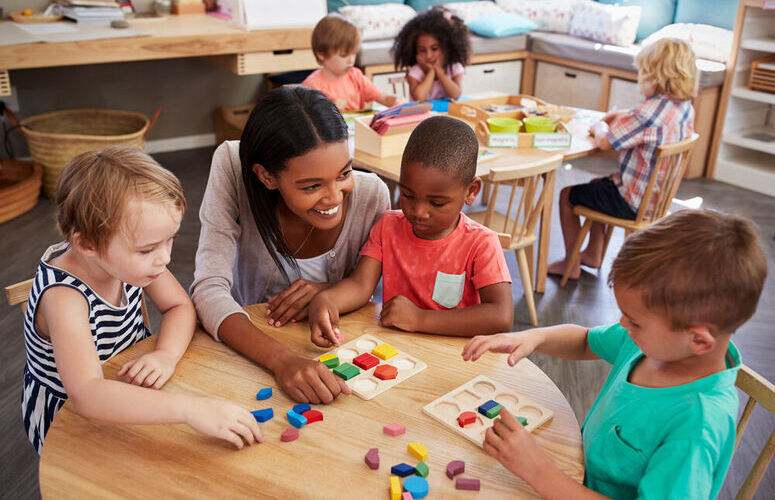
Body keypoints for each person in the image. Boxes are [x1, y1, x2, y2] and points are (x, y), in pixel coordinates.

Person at [463, 209, 767, 499]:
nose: (623, 325)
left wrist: (539, 471)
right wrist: (533, 337)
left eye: (634, 320)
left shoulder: (697, 426)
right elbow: (584, 341)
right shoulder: (654, 343)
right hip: (573, 475)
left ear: (699, 341)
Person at [22, 146, 263, 454]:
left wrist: (166, 355)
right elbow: (87, 394)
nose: (164, 258)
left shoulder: (124, 259)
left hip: (128, 382)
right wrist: (190, 409)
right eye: (148, 249)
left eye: (170, 239)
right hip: (68, 419)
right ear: (87, 245)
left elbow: (179, 306)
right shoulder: (64, 298)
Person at [190, 86, 391, 403]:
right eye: (311, 186)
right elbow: (208, 288)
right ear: (266, 177)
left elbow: (373, 295)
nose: (334, 197)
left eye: (344, 173)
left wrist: (329, 289)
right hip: (250, 347)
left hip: (337, 357)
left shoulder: (372, 195)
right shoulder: (233, 164)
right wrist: (282, 360)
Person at [308, 116, 513, 346]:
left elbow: (501, 316)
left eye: (436, 203)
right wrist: (327, 299)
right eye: (408, 195)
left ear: (471, 191)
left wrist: (421, 319)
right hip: (397, 350)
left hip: (454, 356)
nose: (418, 212)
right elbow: (361, 285)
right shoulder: (388, 226)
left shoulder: (481, 243)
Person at [548, 38, 697, 280]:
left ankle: (571, 263)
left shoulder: (646, 113)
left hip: (632, 203)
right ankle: (593, 254)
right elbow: (648, 124)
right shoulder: (684, 108)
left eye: (642, 74)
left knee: (568, 196)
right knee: (598, 185)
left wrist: (598, 126)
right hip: (656, 199)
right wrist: (625, 115)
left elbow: (606, 142)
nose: (639, 80)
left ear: (655, 77)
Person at [301, 13, 401, 111]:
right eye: (344, 55)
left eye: (353, 54)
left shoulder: (355, 76)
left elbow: (384, 98)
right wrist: (329, 110)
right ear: (321, 54)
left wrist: (395, 100)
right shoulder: (311, 86)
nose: (351, 60)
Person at [392, 7, 471, 101]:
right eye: (422, 50)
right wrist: (431, 72)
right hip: (423, 115)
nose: (428, 55)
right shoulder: (415, 72)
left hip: (446, 114)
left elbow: (455, 95)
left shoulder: (454, 68)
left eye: (434, 49)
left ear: (446, 48)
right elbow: (419, 98)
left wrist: (440, 71)